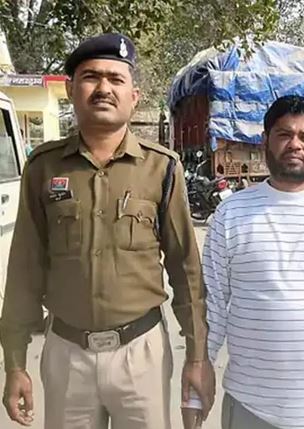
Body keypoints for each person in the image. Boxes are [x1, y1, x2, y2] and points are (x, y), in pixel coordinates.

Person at [0, 33, 214, 429]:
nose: (103, 88)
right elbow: (24, 270)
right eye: (91, 77)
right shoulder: (43, 168)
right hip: (66, 356)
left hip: (141, 355)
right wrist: (15, 363)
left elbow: (186, 270)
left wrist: (197, 357)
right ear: (71, 90)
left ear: (134, 96)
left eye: (116, 79)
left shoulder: (162, 168)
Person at [182, 95, 304, 429]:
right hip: (250, 405)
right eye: (284, 134)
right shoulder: (231, 214)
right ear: (266, 140)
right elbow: (213, 306)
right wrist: (196, 384)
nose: (295, 144)